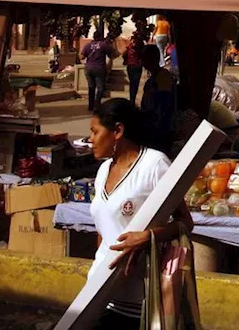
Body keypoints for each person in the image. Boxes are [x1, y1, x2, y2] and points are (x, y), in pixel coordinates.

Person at [87, 98, 195, 328]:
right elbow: (103, 232)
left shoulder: (154, 165)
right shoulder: (103, 170)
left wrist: (149, 237)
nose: (90, 140)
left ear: (117, 131)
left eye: (95, 132)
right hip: (101, 291)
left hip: (139, 297)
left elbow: (185, 222)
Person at [139, 45, 177, 150]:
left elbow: (164, 103)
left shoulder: (163, 76)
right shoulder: (152, 78)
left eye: (145, 58)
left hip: (160, 127)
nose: (142, 62)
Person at [82, 28, 116, 112]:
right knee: (100, 88)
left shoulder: (87, 45)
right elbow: (112, 54)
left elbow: (81, 56)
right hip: (99, 68)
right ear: (101, 37)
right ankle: (97, 105)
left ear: (93, 37)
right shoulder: (103, 45)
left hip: (88, 68)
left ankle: (90, 105)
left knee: (91, 87)